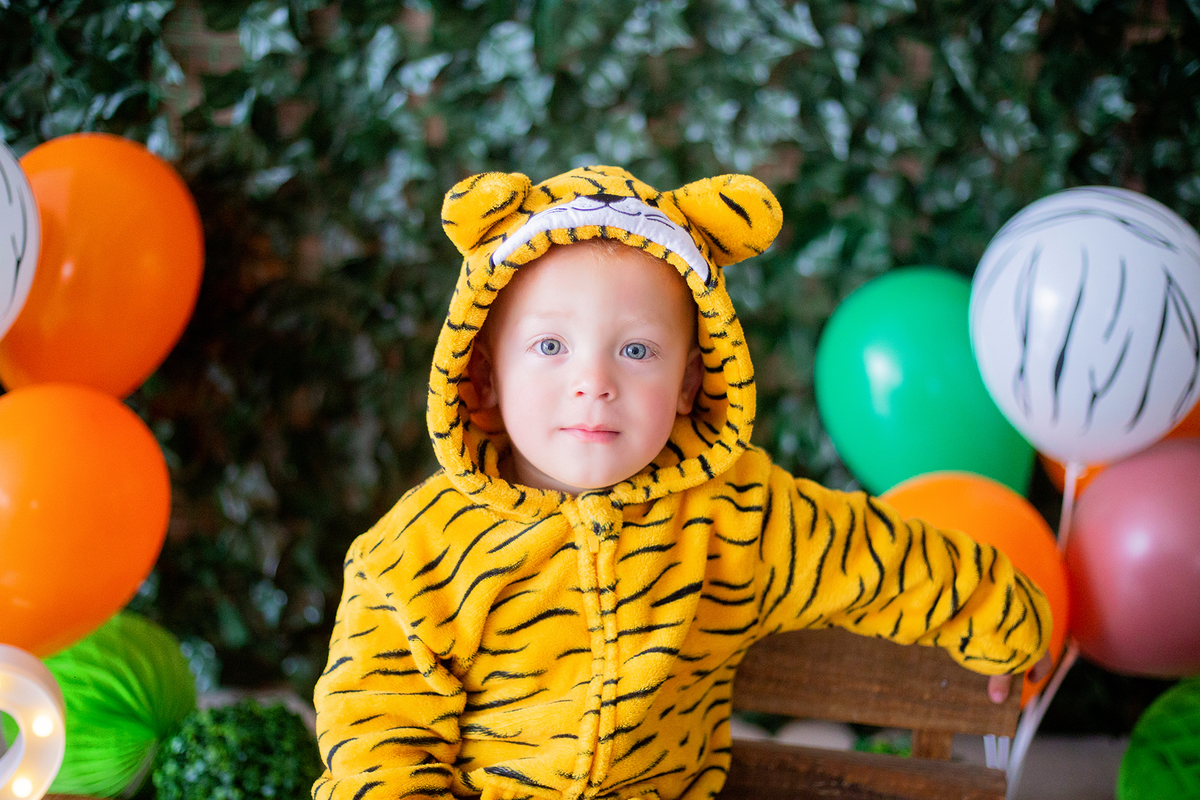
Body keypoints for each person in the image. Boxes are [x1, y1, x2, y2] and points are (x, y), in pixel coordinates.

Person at [312, 165, 1052, 800]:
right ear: (485, 376)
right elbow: (378, 732)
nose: (593, 383)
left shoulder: (739, 514)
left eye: (636, 349)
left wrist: (1008, 621)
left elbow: (875, 556)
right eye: (549, 346)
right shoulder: (417, 553)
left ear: (691, 380)